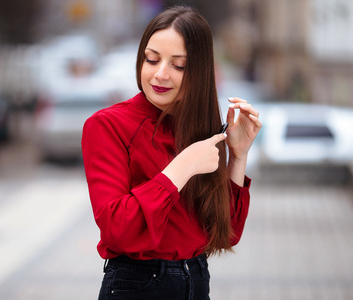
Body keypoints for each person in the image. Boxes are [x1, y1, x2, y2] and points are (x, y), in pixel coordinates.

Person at [81, 5, 261, 300]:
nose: (160, 74)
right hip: (138, 284)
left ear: (200, 72)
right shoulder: (107, 126)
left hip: (197, 279)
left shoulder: (201, 130)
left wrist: (238, 155)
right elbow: (117, 229)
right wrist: (181, 168)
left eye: (178, 65)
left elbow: (225, 233)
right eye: (151, 60)